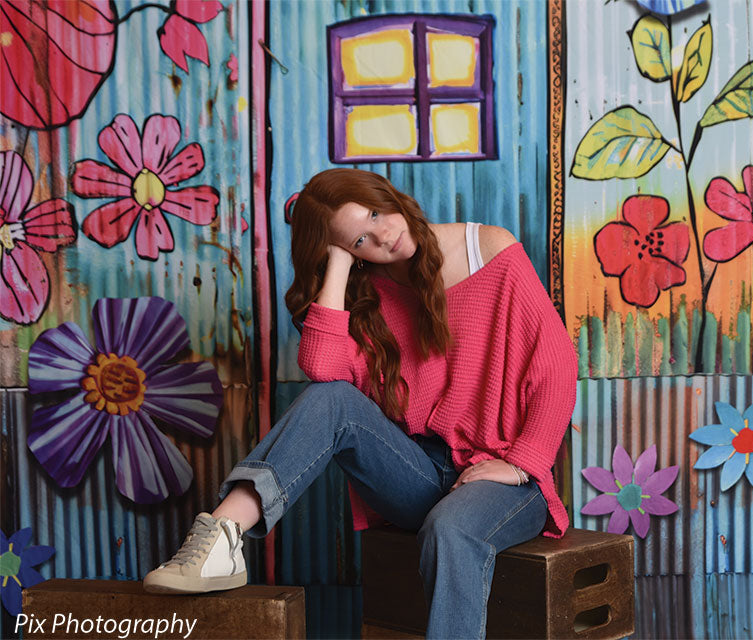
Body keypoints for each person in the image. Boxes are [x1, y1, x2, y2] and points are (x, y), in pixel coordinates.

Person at [143, 168, 578, 639]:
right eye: (361, 239)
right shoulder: (367, 290)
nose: (384, 235)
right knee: (332, 399)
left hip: (506, 475)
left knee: (451, 529)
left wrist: (521, 464)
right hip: (419, 472)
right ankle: (223, 537)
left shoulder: (486, 247)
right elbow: (323, 368)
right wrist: (338, 260)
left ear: (387, 195)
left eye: (375, 213)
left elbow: (555, 364)